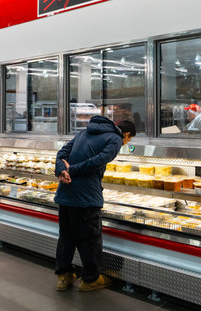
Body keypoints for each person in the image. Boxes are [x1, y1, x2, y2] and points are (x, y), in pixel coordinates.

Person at [53, 116, 135, 292]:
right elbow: (98, 161)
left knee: (66, 237)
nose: (125, 143)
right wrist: (71, 170)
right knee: (89, 239)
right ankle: (90, 279)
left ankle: (64, 276)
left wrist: (61, 170)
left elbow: (61, 154)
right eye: (129, 140)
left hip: (65, 193)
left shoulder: (83, 133)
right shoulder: (115, 139)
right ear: (126, 134)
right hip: (86, 197)